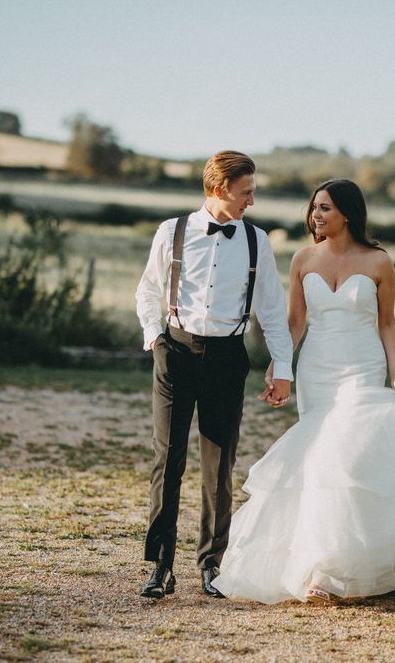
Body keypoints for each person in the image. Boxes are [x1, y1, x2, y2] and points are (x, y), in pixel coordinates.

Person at [212, 179, 395, 603]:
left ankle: (337, 572)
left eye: (326, 208)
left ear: (348, 213)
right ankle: (324, 564)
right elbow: (296, 323)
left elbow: (387, 323)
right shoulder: (302, 259)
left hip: (362, 366)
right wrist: (281, 368)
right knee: (321, 465)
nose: (316, 215)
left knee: (349, 455)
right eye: (314, 208)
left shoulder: (378, 262)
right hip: (317, 369)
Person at [135, 151, 293, 599]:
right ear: (219, 189)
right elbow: (147, 290)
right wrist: (155, 340)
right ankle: (161, 567)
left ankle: (211, 563)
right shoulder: (173, 232)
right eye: (246, 193)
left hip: (228, 357)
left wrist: (282, 368)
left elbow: (272, 312)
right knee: (168, 460)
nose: (252, 201)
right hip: (176, 353)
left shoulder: (257, 241)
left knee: (218, 464)